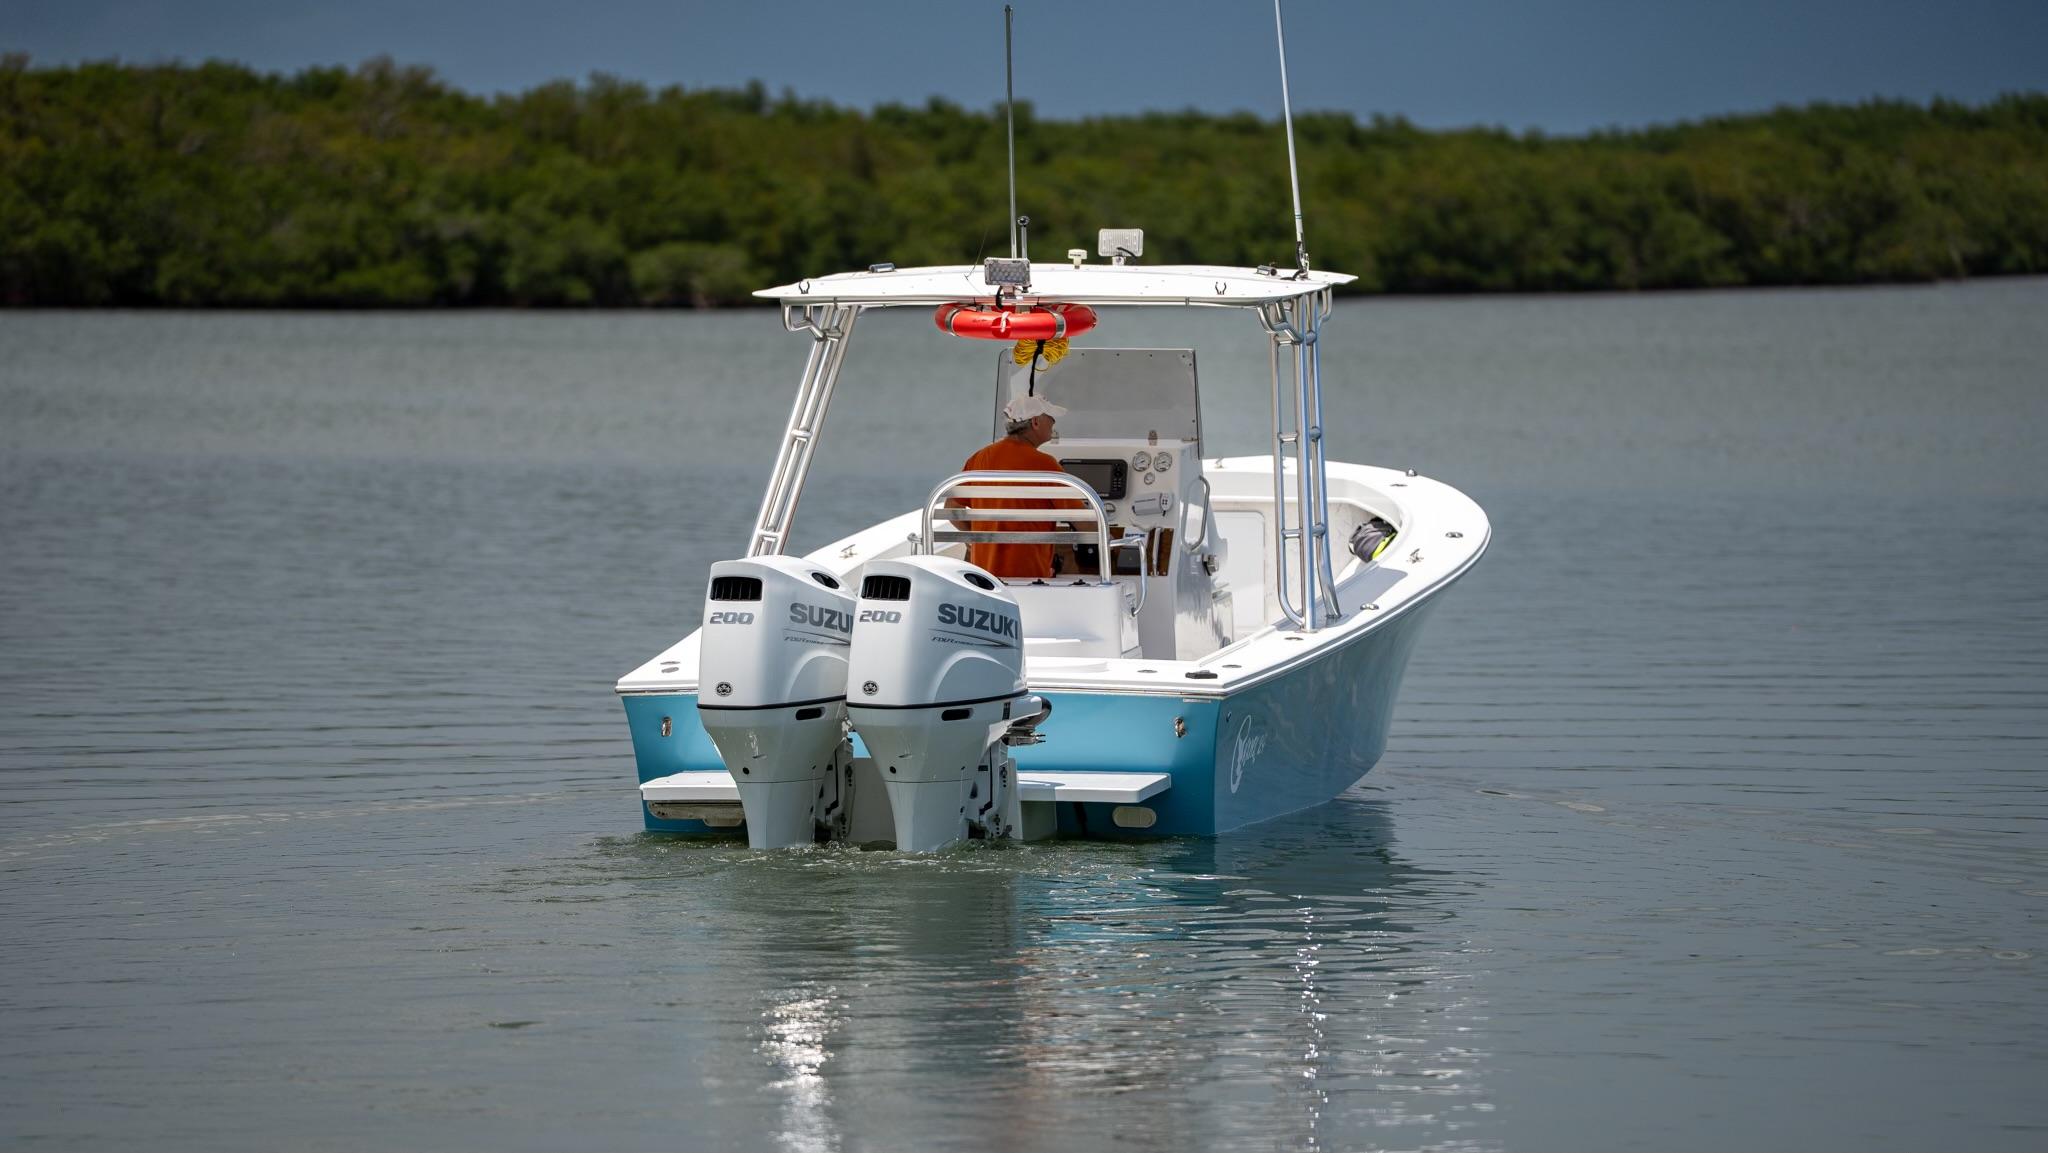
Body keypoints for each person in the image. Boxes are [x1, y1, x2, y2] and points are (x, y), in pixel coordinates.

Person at [956, 395, 1087, 579]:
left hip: (985, 576)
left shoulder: (979, 458)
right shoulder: (1045, 464)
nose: (1053, 423)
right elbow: (1084, 522)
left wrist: (981, 539)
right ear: (1035, 422)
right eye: (1050, 418)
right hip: (1029, 576)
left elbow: (952, 509)